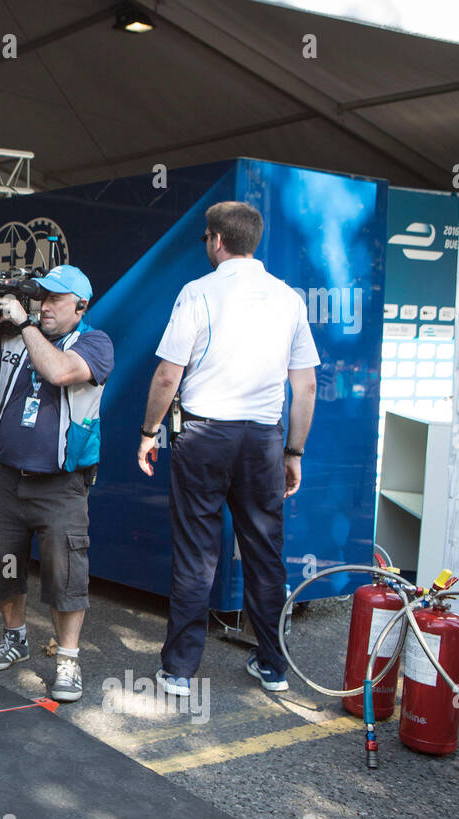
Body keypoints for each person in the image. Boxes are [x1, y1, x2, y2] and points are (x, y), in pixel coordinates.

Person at [136, 200, 319, 696]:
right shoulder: (288, 299)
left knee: (197, 552)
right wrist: (294, 451)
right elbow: (304, 387)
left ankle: (178, 671)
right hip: (264, 438)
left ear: (216, 240)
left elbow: (168, 373)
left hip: (204, 435)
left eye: (204, 239)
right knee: (265, 553)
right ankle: (273, 666)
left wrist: (149, 431)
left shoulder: (198, 292)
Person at [0, 264, 115, 703]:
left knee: (66, 571)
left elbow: (61, 372)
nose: (43, 306)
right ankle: (16, 637)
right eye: (40, 297)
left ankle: (67, 659)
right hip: (7, 477)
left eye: (54, 300)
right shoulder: (11, 337)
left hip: (61, 483)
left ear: (81, 307)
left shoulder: (94, 342)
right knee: (1, 565)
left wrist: (26, 324)